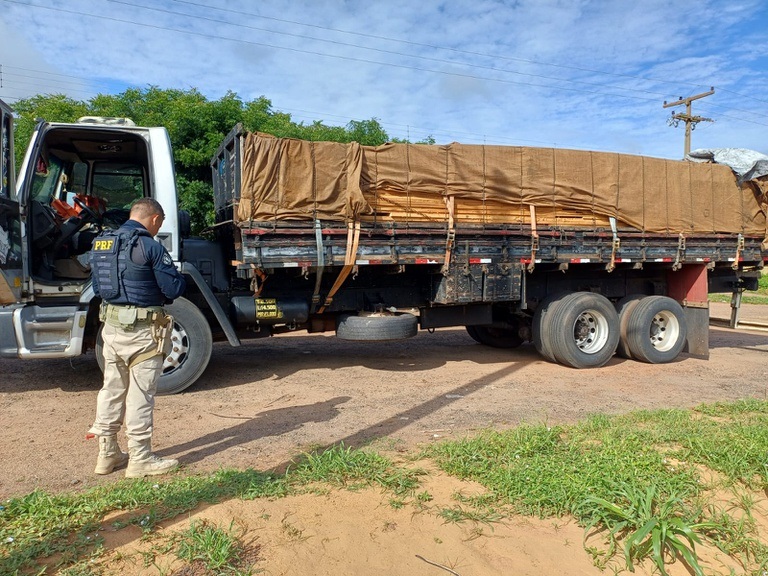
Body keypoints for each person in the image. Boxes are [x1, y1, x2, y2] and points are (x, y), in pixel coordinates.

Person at [88, 197, 186, 478]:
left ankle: (107, 456)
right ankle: (140, 458)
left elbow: (98, 287)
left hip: (111, 330)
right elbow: (174, 287)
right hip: (144, 332)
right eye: (160, 223)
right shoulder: (150, 246)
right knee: (141, 394)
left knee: (111, 389)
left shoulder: (102, 244)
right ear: (155, 219)